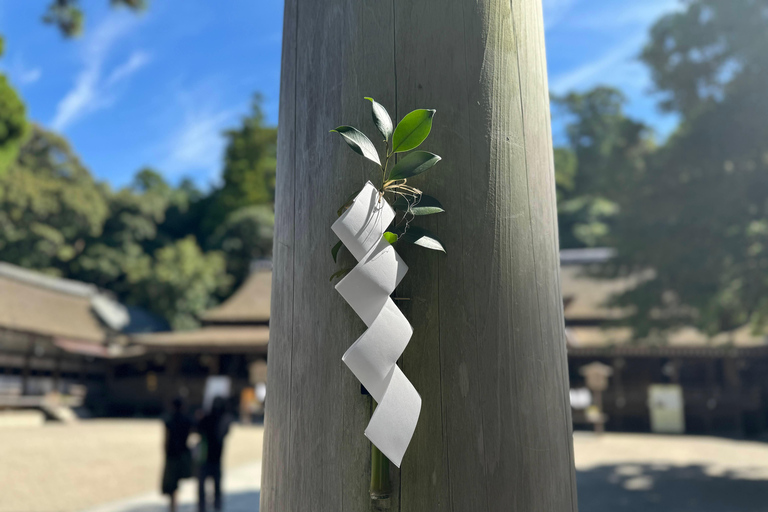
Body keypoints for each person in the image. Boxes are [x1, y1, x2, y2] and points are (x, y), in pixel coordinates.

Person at [197, 396, 232, 512]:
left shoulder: (207, 418)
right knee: (216, 488)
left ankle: (203, 508)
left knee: (203, 488)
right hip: (215, 457)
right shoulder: (223, 420)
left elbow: (198, 430)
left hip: (206, 457)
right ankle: (215, 507)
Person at [162, 397, 193, 512]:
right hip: (183, 454)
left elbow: (166, 439)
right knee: (175, 483)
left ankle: (173, 508)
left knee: (171, 484)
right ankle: (173, 507)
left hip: (172, 455)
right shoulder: (186, 420)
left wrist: (165, 453)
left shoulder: (169, 420)